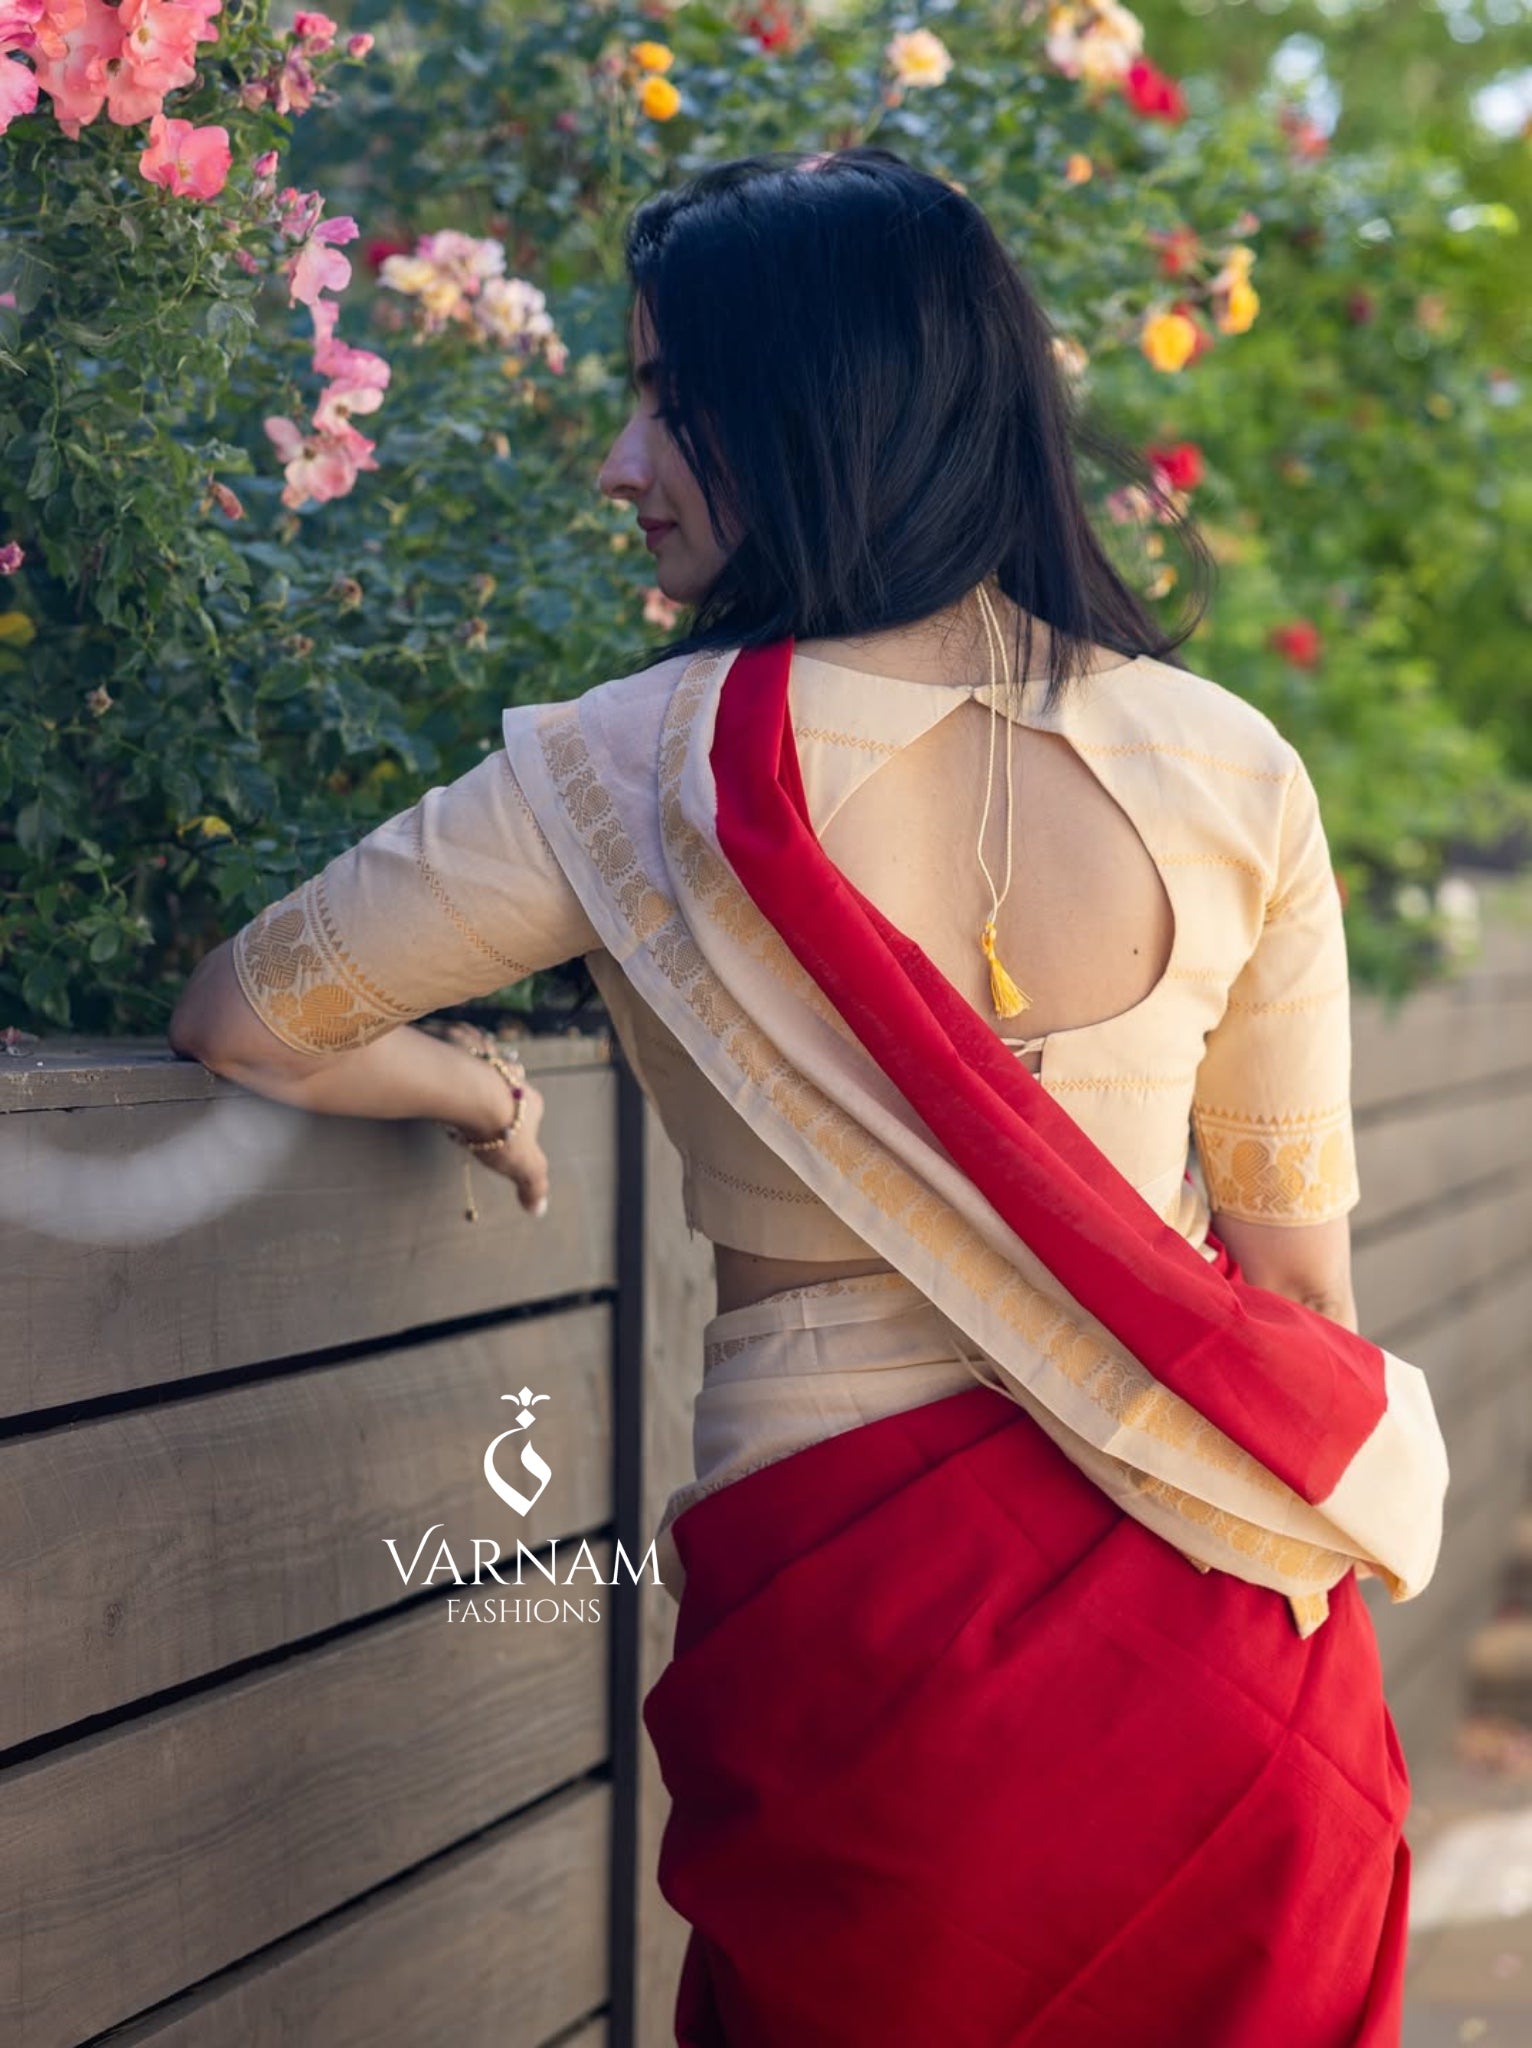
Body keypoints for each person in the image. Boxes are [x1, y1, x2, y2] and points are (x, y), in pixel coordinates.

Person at [171, 148, 1448, 2046]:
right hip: (1225, 1644)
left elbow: (244, 1021)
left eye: (666, 399)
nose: (622, 465)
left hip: (863, 1657)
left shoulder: (620, 774)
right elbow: (1304, 1308)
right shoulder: (1230, 763)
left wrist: (474, 1088)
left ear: (820, 408)